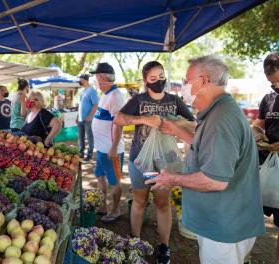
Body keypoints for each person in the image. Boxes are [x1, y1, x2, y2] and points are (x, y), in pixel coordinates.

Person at [146, 55, 265, 264]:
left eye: (186, 80)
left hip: (224, 229)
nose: (183, 86)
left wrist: (171, 179)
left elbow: (215, 181)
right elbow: (210, 149)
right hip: (224, 223)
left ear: (201, 81)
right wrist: (178, 132)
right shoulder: (219, 110)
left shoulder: (221, 119)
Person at [114, 61, 195, 264]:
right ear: (145, 81)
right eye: (153, 78)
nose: (159, 81)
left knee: (162, 203)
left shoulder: (175, 101)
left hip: (165, 163)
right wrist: (144, 119)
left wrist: (176, 122)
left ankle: (164, 247)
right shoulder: (138, 100)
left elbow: (194, 123)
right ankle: (135, 242)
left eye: (161, 76)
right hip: (140, 161)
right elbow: (118, 119)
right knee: (140, 201)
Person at [89, 62, 125, 222]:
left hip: (111, 150)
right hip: (102, 149)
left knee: (114, 181)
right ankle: (103, 205)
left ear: (103, 77)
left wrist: (114, 147)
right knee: (99, 176)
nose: (95, 80)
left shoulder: (116, 96)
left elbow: (119, 124)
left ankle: (116, 210)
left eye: (96, 77)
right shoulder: (105, 94)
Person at [254, 52, 279, 264]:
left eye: (278, 80)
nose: (276, 86)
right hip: (267, 165)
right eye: (272, 83)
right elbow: (259, 125)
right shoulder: (268, 99)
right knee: (256, 212)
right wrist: (255, 133)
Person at [77, 74, 98, 162]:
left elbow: (95, 104)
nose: (79, 81)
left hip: (88, 119)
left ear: (85, 80)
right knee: (80, 137)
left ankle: (89, 155)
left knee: (89, 137)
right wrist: (78, 116)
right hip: (81, 119)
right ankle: (80, 153)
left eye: (80, 79)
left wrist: (90, 116)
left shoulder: (91, 90)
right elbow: (81, 105)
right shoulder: (83, 91)